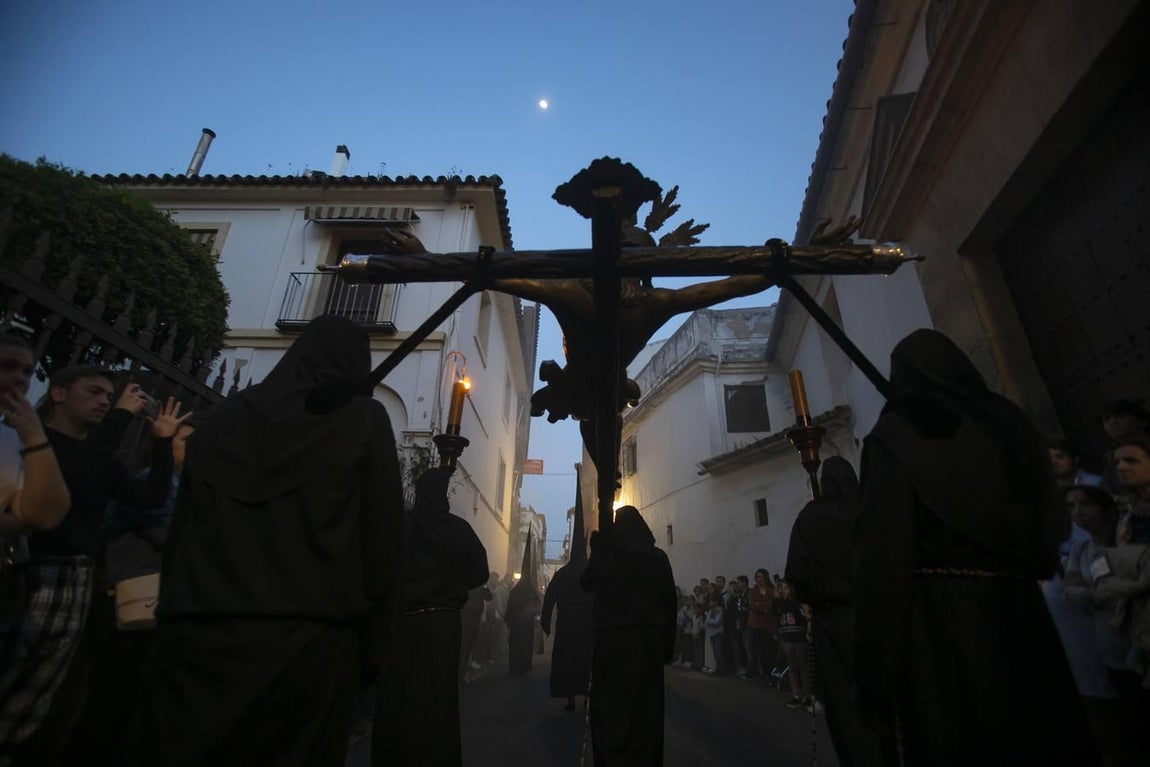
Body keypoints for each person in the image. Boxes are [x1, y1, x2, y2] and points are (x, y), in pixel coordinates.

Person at [135, 315, 405, 767]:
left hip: (197, 641)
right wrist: (375, 651)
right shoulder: (363, 420)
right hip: (305, 645)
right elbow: (383, 543)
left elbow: (184, 530)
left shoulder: (225, 420)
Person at [853, 328, 1098, 764]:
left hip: (941, 630)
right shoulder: (1008, 423)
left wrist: (875, 673)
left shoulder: (897, 434)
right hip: (1023, 615)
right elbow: (1051, 524)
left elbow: (882, 559)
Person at [24, 365, 183, 766]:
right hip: (30, 570)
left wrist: (162, 443)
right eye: (94, 392)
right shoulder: (37, 446)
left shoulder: (104, 461)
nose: (104, 402)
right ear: (57, 393)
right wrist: (121, 417)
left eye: (107, 396)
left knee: (48, 696)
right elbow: (76, 474)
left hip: (77, 580)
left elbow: (148, 496)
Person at [373, 467, 488, 767]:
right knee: (438, 698)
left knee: (401, 694)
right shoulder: (459, 530)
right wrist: (451, 585)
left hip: (404, 621)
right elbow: (480, 571)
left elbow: (380, 567)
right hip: (443, 624)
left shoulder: (400, 526)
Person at [0, 333, 74, 761]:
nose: (19, 379)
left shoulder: (12, 440)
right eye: (7, 366)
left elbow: (44, 514)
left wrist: (33, 435)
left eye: (27, 371)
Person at [785, 456, 883, 765]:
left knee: (843, 701)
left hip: (833, 621)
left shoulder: (809, 518)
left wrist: (814, 600)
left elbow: (797, 572)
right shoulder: (870, 511)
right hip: (877, 617)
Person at [580, 506, 677, 766]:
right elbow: (670, 603)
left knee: (610, 709)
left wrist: (598, 552)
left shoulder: (609, 558)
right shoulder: (658, 558)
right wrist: (667, 646)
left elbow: (587, 583)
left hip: (613, 643)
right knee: (646, 711)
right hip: (648, 645)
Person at [540, 495, 593, 711]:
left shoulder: (562, 573)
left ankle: (571, 697)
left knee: (569, 661)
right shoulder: (591, 571)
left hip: (567, 623)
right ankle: (587, 694)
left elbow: (549, 598)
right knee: (585, 660)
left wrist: (546, 622)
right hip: (587, 625)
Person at [506, 534, 541, 676]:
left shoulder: (516, 591)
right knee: (523, 645)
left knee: (516, 646)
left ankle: (515, 667)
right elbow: (536, 607)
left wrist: (509, 621)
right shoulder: (530, 591)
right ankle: (521, 667)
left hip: (518, 626)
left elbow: (510, 607)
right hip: (524, 626)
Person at [1099, 399, 1150, 496]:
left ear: (1142, 421)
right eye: (1107, 419)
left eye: (1120, 416)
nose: (1112, 422)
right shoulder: (1111, 458)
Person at [772, 581, 810, 708]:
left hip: (799, 636)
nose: (783, 590)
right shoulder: (779, 602)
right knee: (792, 667)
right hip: (786, 637)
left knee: (803, 666)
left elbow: (803, 615)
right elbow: (773, 613)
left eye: (785, 587)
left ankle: (807, 695)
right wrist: (776, 597)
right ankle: (796, 695)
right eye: (780, 588)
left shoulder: (796, 601)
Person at [746, 568, 776, 681]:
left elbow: (773, 604)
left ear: (766, 577)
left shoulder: (771, 590)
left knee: (768, 650)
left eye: (761, 576)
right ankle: (762, 672)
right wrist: (764, 606)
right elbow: (753, 606)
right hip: (756, 624)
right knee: (759, 650)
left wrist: (762, 605)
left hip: (768, 624)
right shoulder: (753, 591)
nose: (759, 579)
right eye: (757, 577)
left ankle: (770, 672)